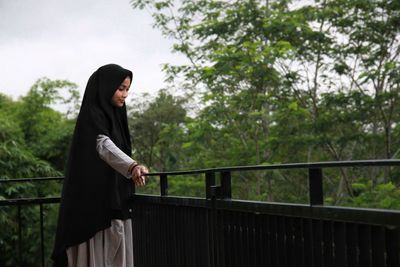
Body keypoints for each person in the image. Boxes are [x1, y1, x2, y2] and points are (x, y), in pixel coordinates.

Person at [52, 64, 148, 267]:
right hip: (93, 206)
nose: (125, 94)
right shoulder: (92, 115)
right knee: (95, 257)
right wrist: (132, 167)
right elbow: (103, 145)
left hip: (116, 199)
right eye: (121, 88)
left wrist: (131, 167)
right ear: (105, 87)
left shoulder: (117, 115)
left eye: (127, 89)